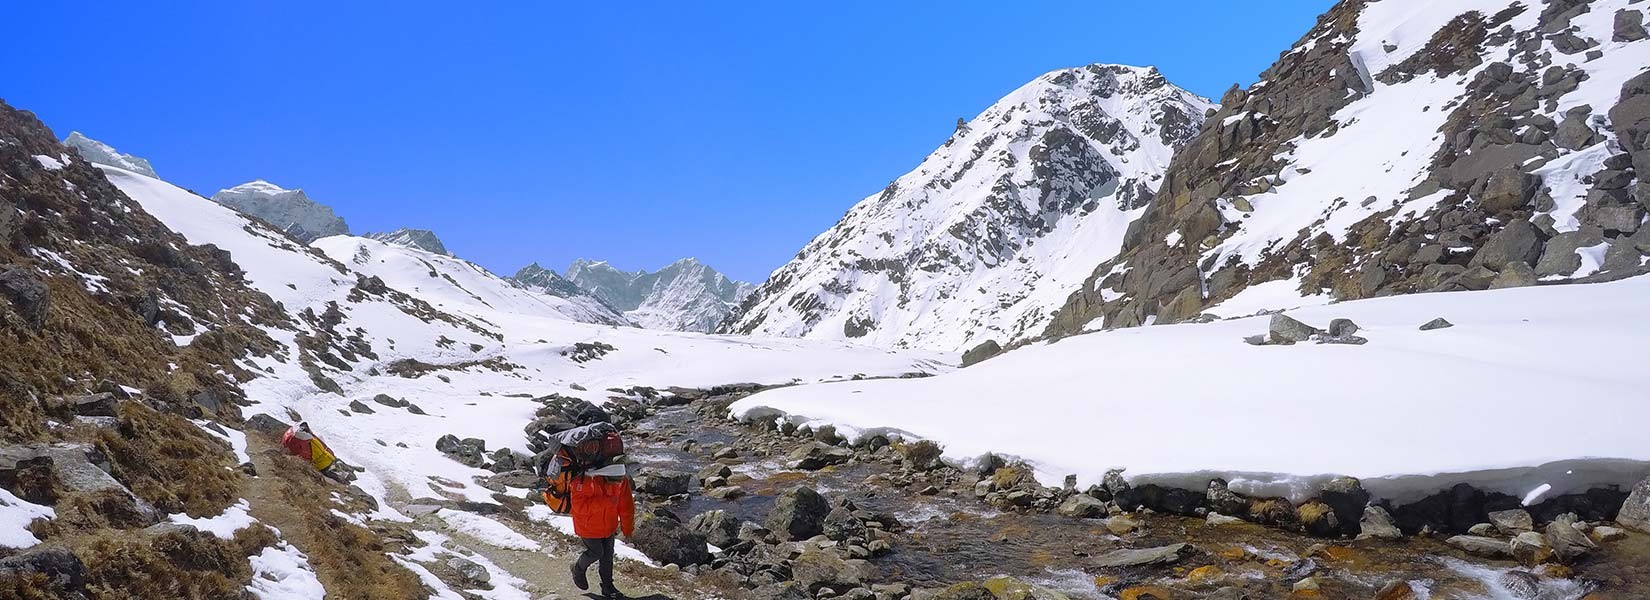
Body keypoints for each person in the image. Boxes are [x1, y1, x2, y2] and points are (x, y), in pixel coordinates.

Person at [568, 461, 634, 599]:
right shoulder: (583, 480)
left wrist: (627, 529)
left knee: (607, 556)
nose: (618, 484)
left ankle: (608, 587)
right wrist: (606, 502)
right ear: (605, 475)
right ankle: (578, 568)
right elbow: (579, 507)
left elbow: (626, 505)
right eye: (614, 482)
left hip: (609, 526)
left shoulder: (621, 479)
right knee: (596, 552)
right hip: (587, 526)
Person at [279, 421, 352, 483]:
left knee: (337, 475)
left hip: (324, 461)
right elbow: (300, 433)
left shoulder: (301, 440)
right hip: (324, 464)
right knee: (337, 478)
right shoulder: (304, 438)